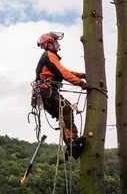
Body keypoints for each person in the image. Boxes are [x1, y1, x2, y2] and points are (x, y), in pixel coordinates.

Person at [34, 31, 88, 159]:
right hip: (46, 91)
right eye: (56, 42)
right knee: (67, 109)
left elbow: (64, 71)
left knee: (64, 114)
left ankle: (71, 143)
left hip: (46, 92)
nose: (58, 45)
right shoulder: (48, 55)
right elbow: (63, 73)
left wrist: (80, 75)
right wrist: (80, 83)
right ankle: (72, 140)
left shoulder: (51, 57)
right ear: (49, 44)